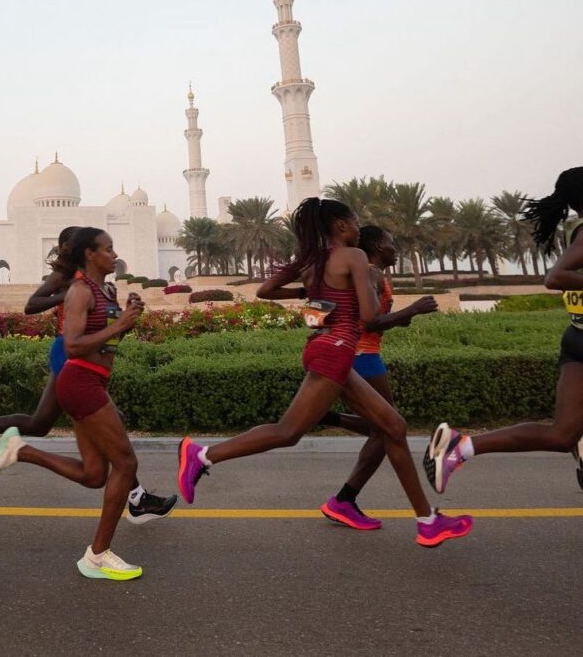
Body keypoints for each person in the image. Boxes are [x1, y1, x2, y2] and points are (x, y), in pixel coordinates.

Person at [176, 197, 473, 548]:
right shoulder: (355, 257)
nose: (359, 228)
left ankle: (428, 522)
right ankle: (202, 455)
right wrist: (413, 311)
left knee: (393, 427)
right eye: (356, 221)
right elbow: (369, 319)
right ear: (342, 226)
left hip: (324, 347)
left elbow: (265, 290)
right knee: (288, 432)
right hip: (335, 351)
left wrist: (307, 289)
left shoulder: (312, 260)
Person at [0, 225, 176, 524]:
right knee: (103, 426)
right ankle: (136, 499)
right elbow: (31, 306)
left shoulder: (97, 283)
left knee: (45, 425)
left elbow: (106, 328)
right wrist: (65, 295)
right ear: (80, 250)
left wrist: (121, 314)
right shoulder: (69, 280)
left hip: (83, 357)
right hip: (68, 353)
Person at [0, 227, 146, 580]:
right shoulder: (80, 291)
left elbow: (105, 338)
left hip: (92, 380)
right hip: (80, 380)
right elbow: (72, 345)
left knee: (93, 474)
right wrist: (120, 327)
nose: (114, 255)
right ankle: (98, 556)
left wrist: (128, 317)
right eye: (108, 249)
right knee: (127, 463)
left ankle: (20, 450)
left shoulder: (105, 290)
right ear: (90, 254)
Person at [424, 167, 583, 494]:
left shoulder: (576, 229)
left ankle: (461, 446)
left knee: (562, 434)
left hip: (576, 337)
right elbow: (555, 277)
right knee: (564, 434)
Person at [319, 225, 438, 530]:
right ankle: (344, 500)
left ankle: (332, 420)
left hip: (363, 355)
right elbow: (369, 324)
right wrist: (414, 308)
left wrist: (402, 318)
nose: (395, 248)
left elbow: (376, 321)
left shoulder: (376, 275)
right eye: (390, 243)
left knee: (383, 428)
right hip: (362, 357)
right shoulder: (370, 273)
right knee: (388, 430)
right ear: (376, 247)